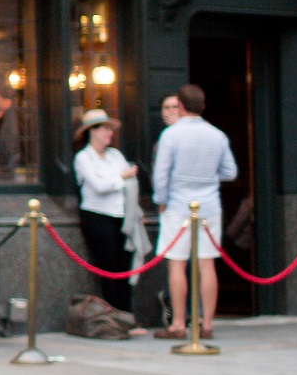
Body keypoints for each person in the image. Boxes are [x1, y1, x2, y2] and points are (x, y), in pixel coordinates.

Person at [151, 85, 237, 340]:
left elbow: (161, 174)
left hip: (178, 204)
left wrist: (161, 200)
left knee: (176, 264)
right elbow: (230, 172)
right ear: (203, 105)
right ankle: (206, 323)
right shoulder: (217, 135)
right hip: (209, 204)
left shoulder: (171, 134)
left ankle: (178, 323)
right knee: (207, 264)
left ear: (181, 105)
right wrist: (208, 178)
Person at [72, 109, 139, 316]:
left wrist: (117, 180)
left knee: (124, 266)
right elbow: (99, 186)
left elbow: (117, 183)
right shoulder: (83, 158)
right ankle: (114, 317)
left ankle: (126, 315)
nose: (109, 133)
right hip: (97, 216)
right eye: (104, 128)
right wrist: (122, 177)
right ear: (92, 131)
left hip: (122, 217)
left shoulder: (115, 155)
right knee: (108, 266)